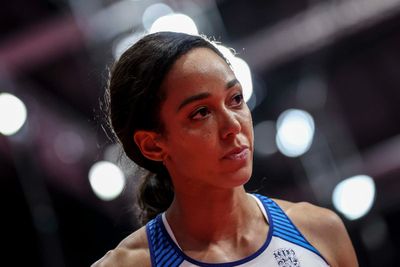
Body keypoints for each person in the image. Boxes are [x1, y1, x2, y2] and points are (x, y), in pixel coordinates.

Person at [92, 31, 358, 267]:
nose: (233, 125)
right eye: (201, 112)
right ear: (153, 145)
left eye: (236, 99)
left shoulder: (320, 230)